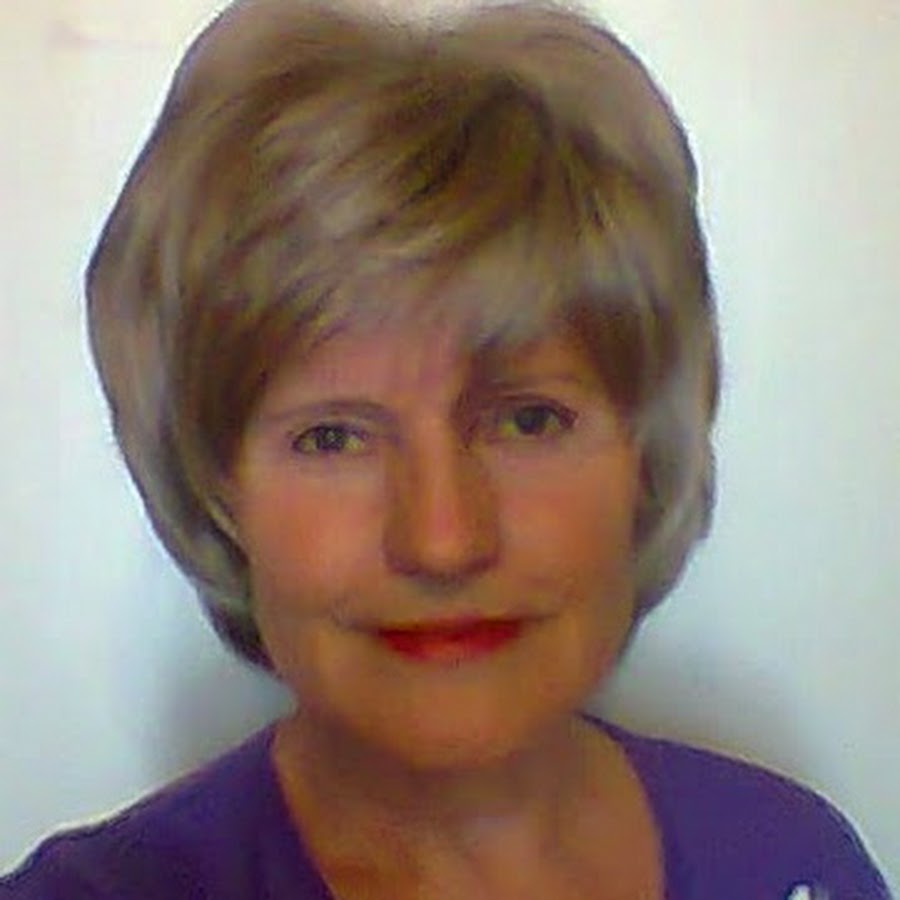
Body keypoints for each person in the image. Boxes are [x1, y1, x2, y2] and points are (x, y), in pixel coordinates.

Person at [1, 1, 890, 897]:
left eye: (527, 421)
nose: (442, 540)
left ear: (646, 457)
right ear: (215, 485)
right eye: (334, 438)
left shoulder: (791, 859)